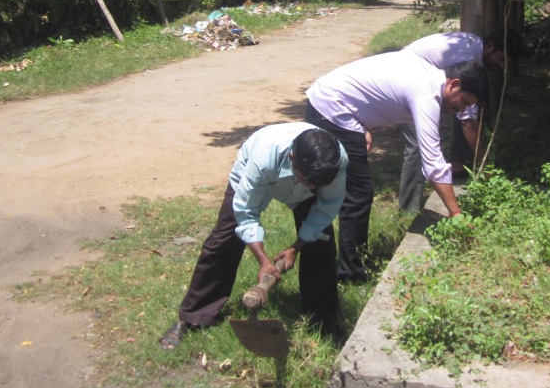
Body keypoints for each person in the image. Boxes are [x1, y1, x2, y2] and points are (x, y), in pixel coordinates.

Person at [159, 123, 348, 350]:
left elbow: (326, 207)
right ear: (292, 158)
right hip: (259, 169)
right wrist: (263, 260)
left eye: (318, 183)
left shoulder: (334, 162)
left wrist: (295, 248)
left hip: (307, 174)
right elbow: (246, 211)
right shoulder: (263, 158)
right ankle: (193, 316)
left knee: (320, 244)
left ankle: (324, 319)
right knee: (224, 239)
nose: (314, 186)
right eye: (309, 181)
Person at [304, 52, 489, 282]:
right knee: (357, 193)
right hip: (331, 106)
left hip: (333, 100)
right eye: (464, 102)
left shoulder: (429, 76)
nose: (462, 110)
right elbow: (433, 164)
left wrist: (362, 126)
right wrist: (456, 214)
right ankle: (350, 273)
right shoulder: (426, 94)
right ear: (454, 84)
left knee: (344, 188)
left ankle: (342, 262)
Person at [397, 29, 523, 212]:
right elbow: (468, 122)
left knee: (463, 109)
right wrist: (483, 163)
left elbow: (469, 115)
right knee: (419, 144)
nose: (501, 66)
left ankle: (457, 168)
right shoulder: (467, 57)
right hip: (406, 79)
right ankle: (409, 208)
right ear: (490, 47)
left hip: (423, 81)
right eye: (501, 59)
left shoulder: (474, 48)